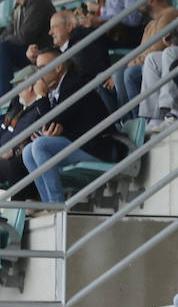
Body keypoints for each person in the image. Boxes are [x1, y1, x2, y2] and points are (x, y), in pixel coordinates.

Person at [19, 48, 122, 203]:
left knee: (41, 146)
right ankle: (48, 204)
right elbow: (51, 126)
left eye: (41, 68)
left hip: (100, 147)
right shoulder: (56, 90)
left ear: (58, 67)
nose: (38, 74)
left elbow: (50, 123)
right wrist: (52, 125)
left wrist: (41, 96)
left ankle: (56, 204)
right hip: (80, 144)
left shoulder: (73, 85)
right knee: (27, 151)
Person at [111, 0, 178, 114]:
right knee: (117, 74)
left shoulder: (169, 15)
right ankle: (128, 123)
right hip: (147, 62)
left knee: (129, 73)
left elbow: (158, 48)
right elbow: (141, 51)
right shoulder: (150, 24)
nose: (136, 2)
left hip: (161, 63)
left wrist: (130, 64)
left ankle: (140, 122)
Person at [0, 0, 54, 89]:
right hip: (27, 53)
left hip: (41, 53)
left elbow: (26, 36)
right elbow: (7, 33)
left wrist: (4, 40)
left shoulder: (38, 1)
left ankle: (5, 100)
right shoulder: (18, 7)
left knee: (2, 49)